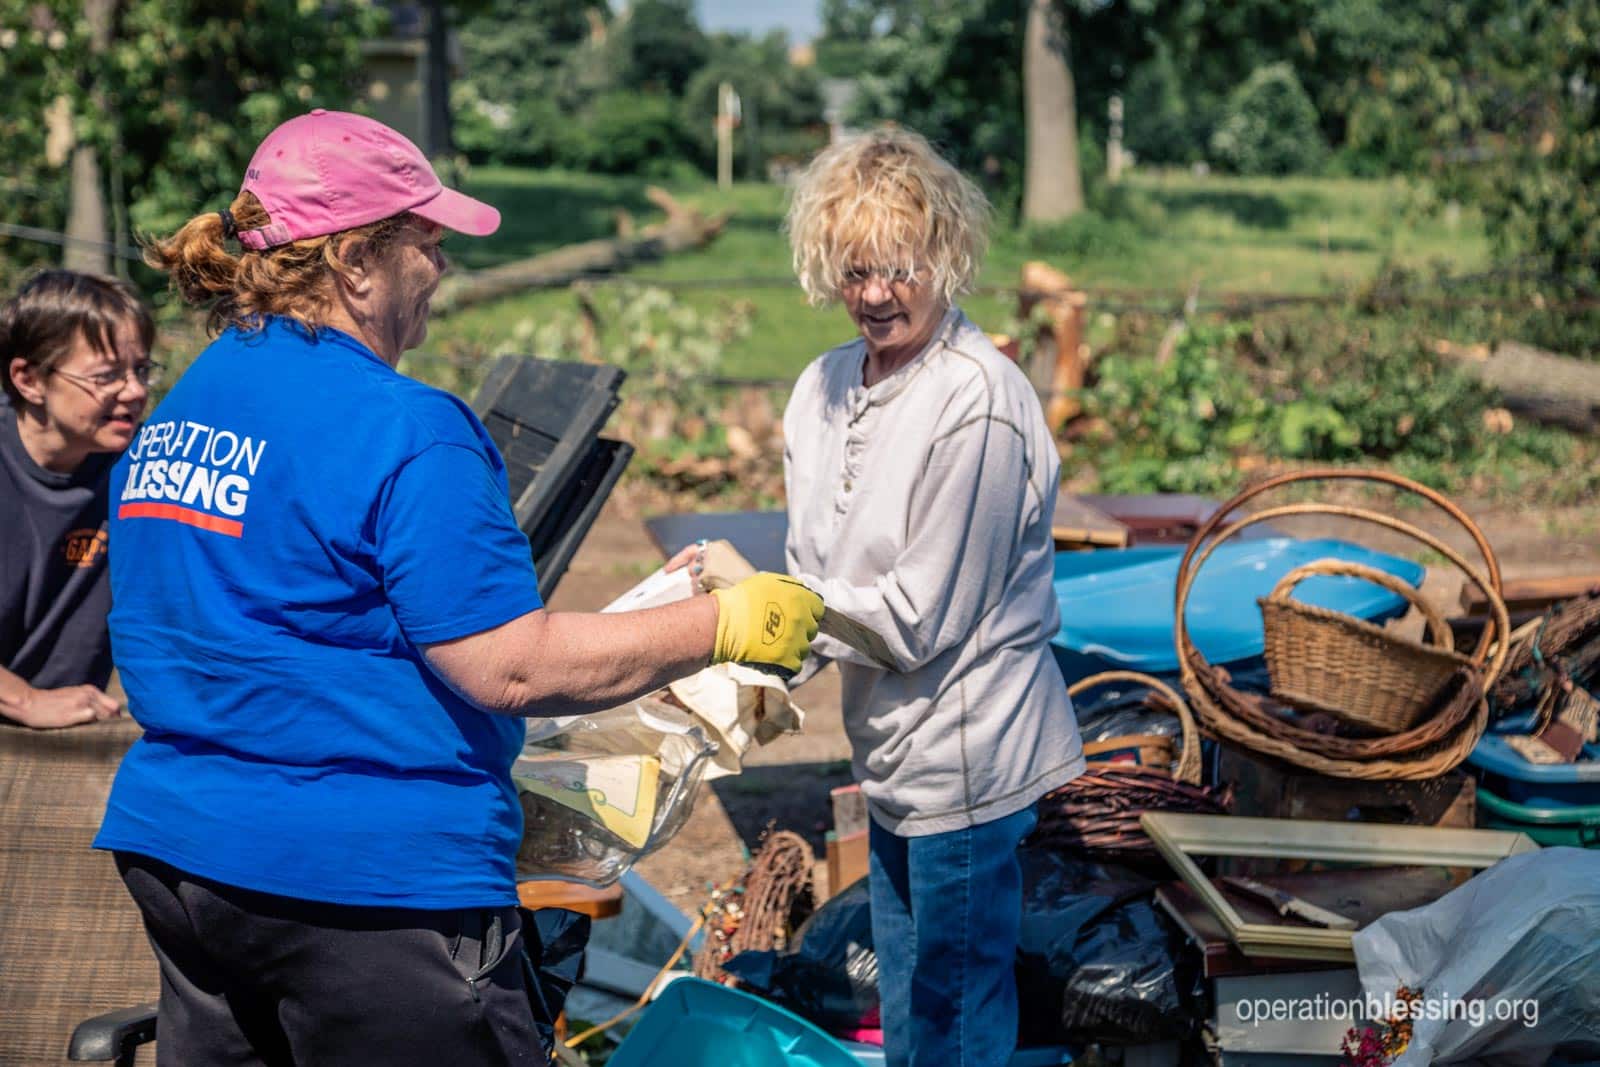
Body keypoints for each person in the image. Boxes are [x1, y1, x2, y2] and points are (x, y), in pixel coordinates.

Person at [93, 109, 823, 1066]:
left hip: (187, 859)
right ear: (355, 262)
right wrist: (725, 621)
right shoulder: (408, 429)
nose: (441, 267)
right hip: (364, 886)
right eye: (426, 242)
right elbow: (508, 667)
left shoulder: (184, 407)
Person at [781, 127, 1084, 1067]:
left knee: (952, 1011)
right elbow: (808, 563)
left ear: (946, 258)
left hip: (967, 751)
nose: (875, 294)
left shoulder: (978, 401)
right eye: (856, 269)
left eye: (899, 269)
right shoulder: (822, 387)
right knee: (911, 1009)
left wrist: (769, 617)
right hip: (889, 749)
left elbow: (914, 618)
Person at [1, 270, 154, 729]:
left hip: (63, 748)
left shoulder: (144, 468)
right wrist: (24, 700)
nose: (135, 391)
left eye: (141, 370)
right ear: (29, 379)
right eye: (106, 376)